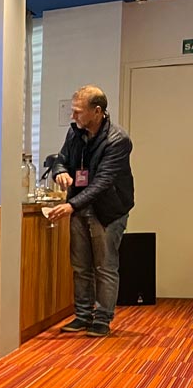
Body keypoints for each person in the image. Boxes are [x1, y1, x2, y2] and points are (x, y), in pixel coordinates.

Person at [48, 85, 135, 337]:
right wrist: (60, 171)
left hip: (108, 210)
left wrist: (71, 205)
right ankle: (83, 315)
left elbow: (102, 182)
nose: (72, 116)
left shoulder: (118, 140)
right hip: (80, 206)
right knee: (80, 266)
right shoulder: (75, 132)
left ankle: (102, 319)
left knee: (104, 266)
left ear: (97, 111)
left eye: (78, 111)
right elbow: (61, 159)